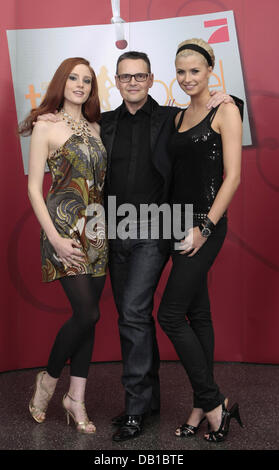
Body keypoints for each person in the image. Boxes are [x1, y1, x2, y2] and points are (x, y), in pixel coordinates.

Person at [37, 51, 242, 442]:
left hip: (154, 229)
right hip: (112, 229)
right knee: (135, 318)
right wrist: (47, 116)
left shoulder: (170, 118)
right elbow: (70, 128)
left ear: (151, 80)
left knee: (132, 313)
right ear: (116, 81)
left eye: (140, 76)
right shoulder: (104, 124)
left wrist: (230, 99)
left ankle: (134, 410)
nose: (132, 83)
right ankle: (149, 403)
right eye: (125, 77)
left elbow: (207, 116)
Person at [157, 38, 243, 443]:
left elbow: (233, 177)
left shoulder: (225, 109)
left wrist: (204, 227)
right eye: (181, 71)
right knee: (198, 315)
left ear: (211, 70)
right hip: (176, 223)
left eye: (195, 70)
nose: (188, 78)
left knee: (170, 316)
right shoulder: (177, 118)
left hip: (203, 225)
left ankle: (214, 402)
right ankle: (199, 406)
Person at [19, 57, 108, 434]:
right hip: (63, 229)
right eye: (73, 78)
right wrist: (54, 238)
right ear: (61, 81)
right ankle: (48, 381)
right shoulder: (46, 125)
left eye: (87, 80)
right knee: (86, 314)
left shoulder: (95, 127)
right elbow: (33, 190)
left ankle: (76, 400)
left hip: (98, 231)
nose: (80, 85)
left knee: (89, 323)